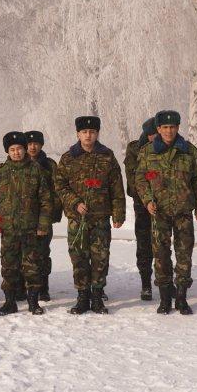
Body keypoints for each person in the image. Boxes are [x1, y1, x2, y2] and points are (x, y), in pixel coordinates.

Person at [134, 110, 197, 315]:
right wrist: (148, 200)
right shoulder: (148, 152)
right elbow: (140, 180)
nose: (169, 131)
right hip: (159, 213)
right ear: (158, 129)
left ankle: (182, 298)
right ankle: (165, 298)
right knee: (161, 256)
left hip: (183, 211)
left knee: (184, 254)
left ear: (178, 128)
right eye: (165, 127)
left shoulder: (189, 151)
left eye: (172, 127)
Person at [54, 115, 126, 315]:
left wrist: (118, 213)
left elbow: (116, 187)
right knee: (79, 257)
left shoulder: (107, 156)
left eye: (92, 132)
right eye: (84, 132)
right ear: (78, 134)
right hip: (78, 220)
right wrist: (74, 202)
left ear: (97, 133)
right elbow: (60, 185)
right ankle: (82, 296)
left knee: (100, 257)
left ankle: (97, 296)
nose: (88, 135)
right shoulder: (68, 158)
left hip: (100, 217)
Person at [0, 131, 53, 316]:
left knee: (32, 266)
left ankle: (33, 302)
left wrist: (42, 225)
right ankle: (10, 302)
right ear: (7, 151)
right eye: (12, 149)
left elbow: (46, 201)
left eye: (19, 149)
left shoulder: (36, 170)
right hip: (9, 230)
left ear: (25, 150)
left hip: (31, 229)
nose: (16, 152)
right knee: (9, 267)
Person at [25, 130, 61, 301]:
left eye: (36, 144)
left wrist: (51, 214)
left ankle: (43, 287)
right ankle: (26, 287)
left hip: (44, 218)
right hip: (24, 218)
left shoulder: (49, 165)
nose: (32, 147)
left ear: (41, 145)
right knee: (24, 254)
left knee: (43, 253)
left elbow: (57, 190)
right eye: (29, 144)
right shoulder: (20, 164)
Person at [123, 117, 157, 300]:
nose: (155, 138)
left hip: (163, 203)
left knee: (162, 244)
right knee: (144, 244)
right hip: (142, 204)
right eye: (152, 134)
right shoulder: (135, 148)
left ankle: (164, 281)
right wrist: (147, 198)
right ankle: (146, 283)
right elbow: (133, 177)